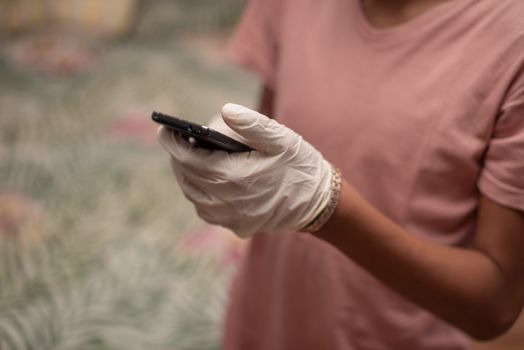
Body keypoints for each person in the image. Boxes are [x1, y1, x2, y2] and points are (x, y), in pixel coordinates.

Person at [158, 0, 524, 348]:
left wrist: (328, 208)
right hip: (263, 319)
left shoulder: (511, 40)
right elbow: (268, 131)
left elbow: (494, 306)